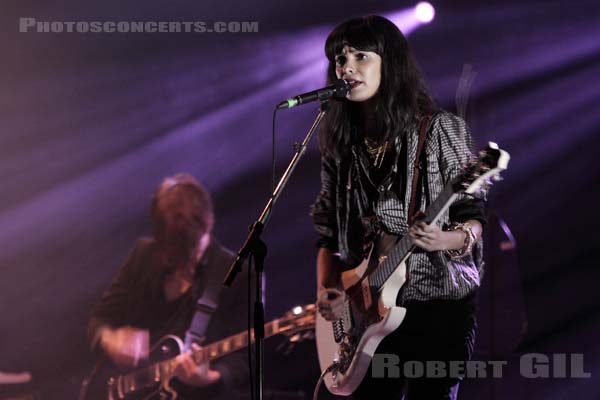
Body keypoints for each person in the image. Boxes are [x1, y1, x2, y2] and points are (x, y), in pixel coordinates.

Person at [312, 16, 486, 399]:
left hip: (438, 304)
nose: (347, 67)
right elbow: (326, 229)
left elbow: (473, 220)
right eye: (340, 59)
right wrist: (329, 288)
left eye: (361, 55)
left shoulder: (442, 130)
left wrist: (444, 240)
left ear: (389, 63)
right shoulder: (342, 147)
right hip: (369, 313)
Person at [87, 173, 250, 399]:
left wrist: (211, 377)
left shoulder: (238, 274)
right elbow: (99, 319)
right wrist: (110, 339)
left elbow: (247, 358)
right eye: (173, 251)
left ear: (209, 222)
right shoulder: (143, 255)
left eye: (191, 248)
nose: (183, 261)